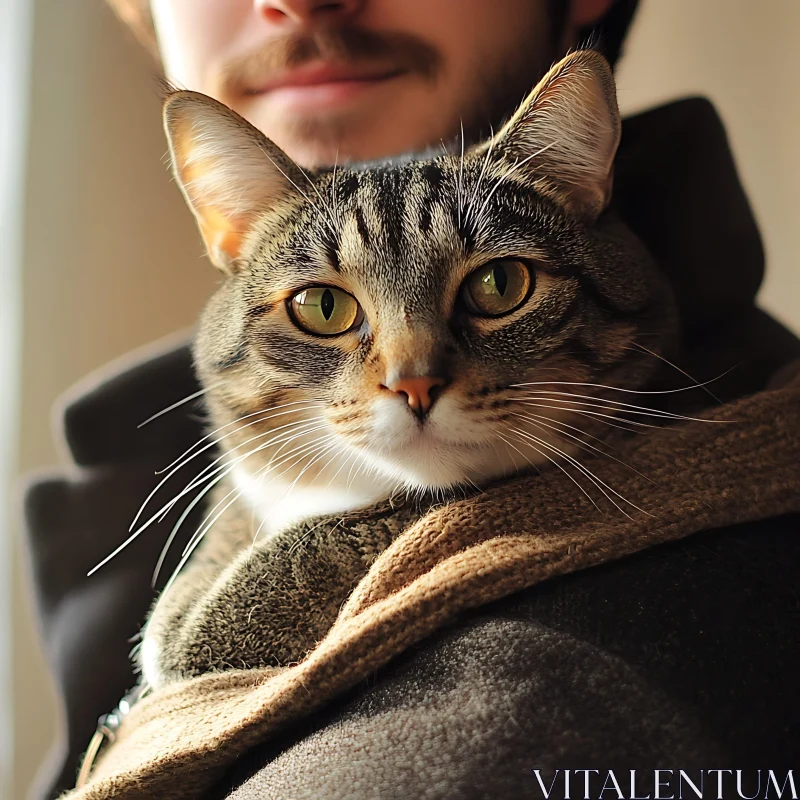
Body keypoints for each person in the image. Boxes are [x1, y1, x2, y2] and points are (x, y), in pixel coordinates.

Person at [23, 2, 799, 799]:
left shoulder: (672, 621)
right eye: (322, 307)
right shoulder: (142, 480)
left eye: (498, 286)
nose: (410, 375)